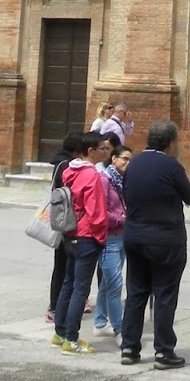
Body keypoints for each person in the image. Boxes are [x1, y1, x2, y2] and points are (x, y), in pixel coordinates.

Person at [121, 120, 190, 368]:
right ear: (170, 143)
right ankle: (164, 351)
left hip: (135, 235)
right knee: (165, 294)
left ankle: (129, 347)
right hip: (165, 239)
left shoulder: (133, 164)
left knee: (136, 292)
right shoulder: (171, 166)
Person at [52, 132, 109, 353]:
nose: (105, 152)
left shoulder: (69, 171)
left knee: (68, 283)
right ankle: (72, 339)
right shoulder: (91, 176)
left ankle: (59, 332)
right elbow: (96, 212)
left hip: (70, 232)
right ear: (90, 151)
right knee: (80, 288)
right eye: (101, 148)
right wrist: (101, 237)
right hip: (87, 235)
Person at [45, 132, 85, 321]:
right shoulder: (66, 166)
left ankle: (58, 304)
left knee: (62, 264)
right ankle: (55, 307)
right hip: (65, 220)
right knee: (62, 265)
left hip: (62, 219)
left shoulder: (60, 162)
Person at [94, 144, 130, 338]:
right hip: (109, 238)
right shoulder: (105, 180)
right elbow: (101, 212)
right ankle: (119, 329)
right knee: (115, 284)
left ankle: (100, 322)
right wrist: (122, 218)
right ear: (114, 158)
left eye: (130, 159)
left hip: (123, 236)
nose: (127, 162)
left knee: (108, 283)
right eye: (124, 158)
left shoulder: (124, 181)